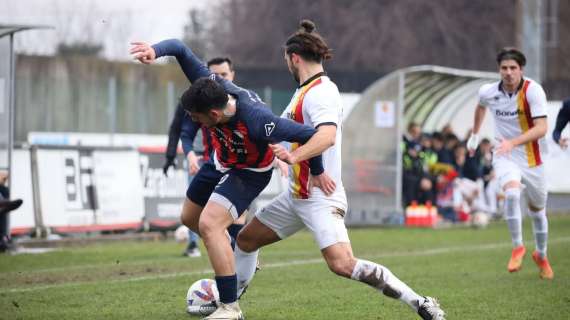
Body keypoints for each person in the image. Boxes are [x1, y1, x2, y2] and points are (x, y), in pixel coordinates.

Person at [233, 20, 445, 320]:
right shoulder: (303, 91)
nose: (286, 66)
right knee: (246, 240)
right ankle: (230, 306)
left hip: (320, 197)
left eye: (286, 60)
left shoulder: (322, 92)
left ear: (294, 58)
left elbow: (326, 136)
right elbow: (285, 133)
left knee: (342, 264)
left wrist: (294, 158)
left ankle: (421, 303)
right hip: (296, 198)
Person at [130, 38, 336, 320]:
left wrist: (317, 170)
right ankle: (239, 254)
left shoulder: (259, 121)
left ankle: (230, 307)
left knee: (209, 224)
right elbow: (179, 47)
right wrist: (155, 51)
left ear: (214, 114)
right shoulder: (209, 85)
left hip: (249, 173)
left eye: (197, 118)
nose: (196, 122)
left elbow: (310, 135)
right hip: (219, 161)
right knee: (190, 219)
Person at [467, 47, 554, 279]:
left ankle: (542, 255)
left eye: (513, 68)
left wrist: (513, 142)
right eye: (504, 68)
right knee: (512, 194)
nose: (508, 72)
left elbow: (542, 128)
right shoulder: (487, 91)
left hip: (533, 158)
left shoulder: (533, 91)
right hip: (505, 155)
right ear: (499, 70)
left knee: (537, 212)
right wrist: (474, 136)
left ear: (521, 69)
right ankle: (518, 247)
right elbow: (480, 107)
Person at [163, 57, 240, 258]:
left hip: (239, 166)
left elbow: (267, 128)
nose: (218, 79)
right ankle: (197, 243)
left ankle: (239, 252)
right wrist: (186, 155)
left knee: (238, 214)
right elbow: (183, 130)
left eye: (223, 75)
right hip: (207, 162)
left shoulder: (243, 102)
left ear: (232, 75)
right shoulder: (199, 101)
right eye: (214, 75)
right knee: (193, 213)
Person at [0, 171, 23, 253]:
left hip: (2, 209)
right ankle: (6, 206)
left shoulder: (4, 189)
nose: (4, 179)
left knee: (3, 212)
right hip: (3, 207)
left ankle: (3, 243)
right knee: (4, 208)